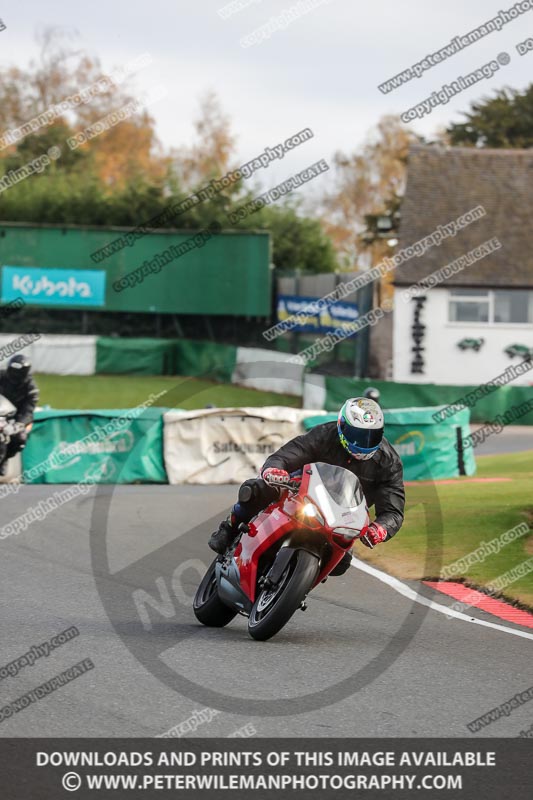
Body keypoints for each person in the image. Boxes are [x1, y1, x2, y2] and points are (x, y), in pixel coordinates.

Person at [208, 397, 405, 576]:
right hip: (301, 492)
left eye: (372, 436)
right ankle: (230, 528)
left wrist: (381, 528)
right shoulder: (324, 434)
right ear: (342, 426)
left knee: (342, 563)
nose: (364, 443)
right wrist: (275, 469)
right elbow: (290, 454)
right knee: (256, 490)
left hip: (341, 517)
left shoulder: (389, 462)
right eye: (358, 435)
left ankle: (299, 581)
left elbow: (393, 510)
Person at [0, 354, 39, 474]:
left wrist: (19, 423)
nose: (14, 375)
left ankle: (4, 459)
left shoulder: (31, 388)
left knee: (20, 439)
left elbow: (28, 409)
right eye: (13, 371)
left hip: (14, 418)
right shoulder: (1, 376)